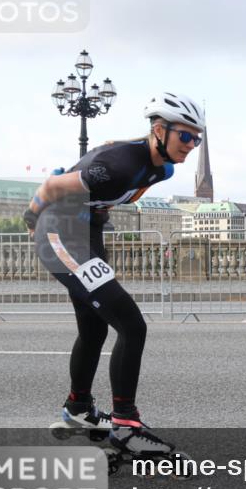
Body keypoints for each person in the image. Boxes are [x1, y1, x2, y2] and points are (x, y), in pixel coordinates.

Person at [25, 92, 204, 456]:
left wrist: (98, 210)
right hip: (60, 233)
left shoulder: (163, 168)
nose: (191, 145)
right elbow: (51, 186)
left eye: (196, 139)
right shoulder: (117, 165)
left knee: (95, 327)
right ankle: (125, 426)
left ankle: (78, 409)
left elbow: (120, 174)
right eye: (185, 136)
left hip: (86, 234)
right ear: (159, 130)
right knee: (131, 324)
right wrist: (31, 221)